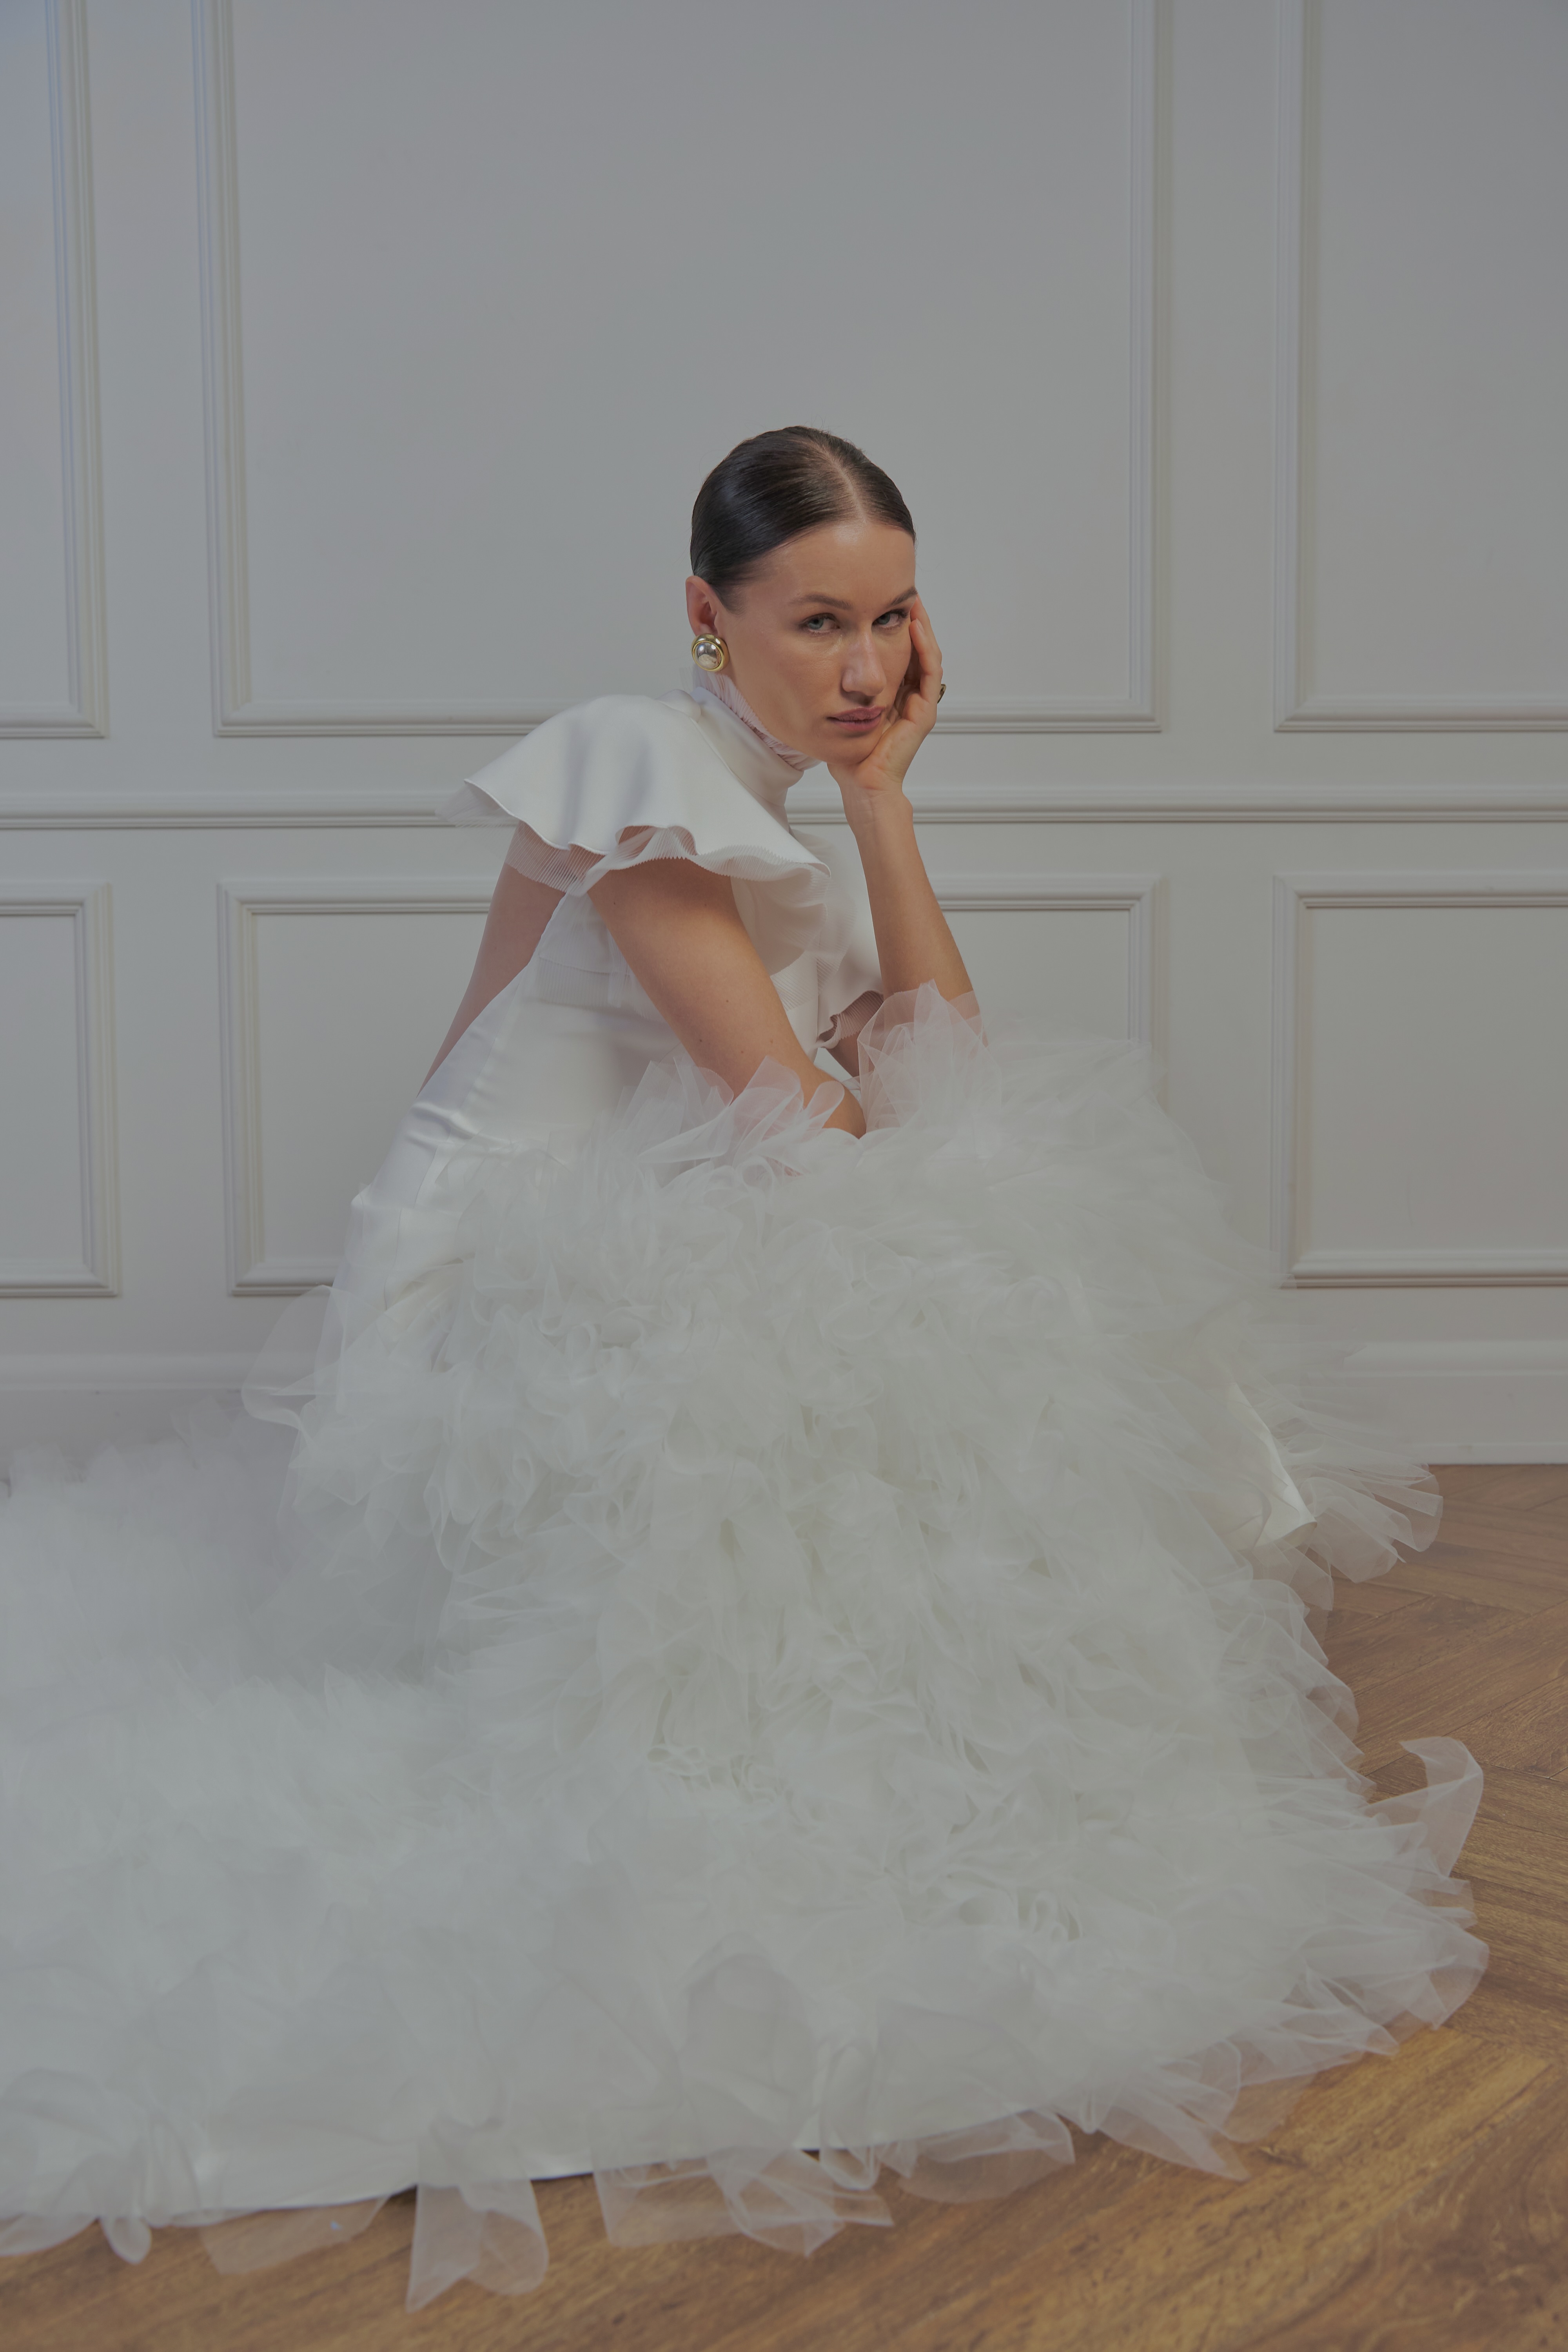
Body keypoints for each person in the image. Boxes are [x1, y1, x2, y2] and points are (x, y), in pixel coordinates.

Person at [0, 429, 1485, 2310]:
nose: (865, 668)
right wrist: (876, 1110)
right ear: (706, 615)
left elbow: (940, 1055)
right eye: (815, 625)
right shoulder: (639, 767)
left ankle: (942, 1742)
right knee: (954, 1272)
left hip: (666, 1184)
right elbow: (797, 1117)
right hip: (512, 1243)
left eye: (893, 619)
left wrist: (882, 806)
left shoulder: (787, 780)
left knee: (994, 1234)